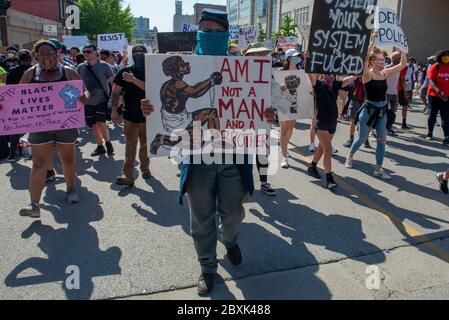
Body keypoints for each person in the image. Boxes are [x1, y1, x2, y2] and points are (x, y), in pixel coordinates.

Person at [141, 9, 273, 296]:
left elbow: (258, 106)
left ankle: (231, 240)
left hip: (234, 157)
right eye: (204, 31)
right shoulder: (187, 66)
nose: (209, 36)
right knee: (201, 217)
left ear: (226, 34)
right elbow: (185, 94)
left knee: (233, 211)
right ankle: (207, 266)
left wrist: (267, 112)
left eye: (215, 31)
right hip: (197, 159)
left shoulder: (245, 69)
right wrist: (148, 109)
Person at [4, 40, 86, 218]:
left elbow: (84, 91)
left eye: (50, 53)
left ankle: (71, 189)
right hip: (40, 126)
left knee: (67, 160)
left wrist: (83, 98)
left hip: (66, 123)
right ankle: (34, 204)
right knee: (39, 164)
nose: (46, 56)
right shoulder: (30, 74)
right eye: (42, 53)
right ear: (36, 56)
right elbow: (16, 98)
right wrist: (4, 106)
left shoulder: (68, 72)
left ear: (57, 54)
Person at [345, 32, 407, 180]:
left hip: (382, 112)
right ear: (371, 62)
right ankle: (350, 155)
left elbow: (403, 64)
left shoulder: (385, 73)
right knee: (361, 138)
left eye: (382, 60)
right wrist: (372, 40)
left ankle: (378, 169)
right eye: (377, 60)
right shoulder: (367, 74)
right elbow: (364, 58)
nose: (381, 62)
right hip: (368, 110)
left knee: (381, 140)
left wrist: (402, 47)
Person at [306, 65, 356, 190]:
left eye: (332, 74)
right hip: (321, 121)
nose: (330, 76)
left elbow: (350, 79)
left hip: (332, 121)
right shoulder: (318, 84)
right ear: (323, 75)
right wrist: (308, 61)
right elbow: (310, 75)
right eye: (327, 74)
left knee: (322, 148)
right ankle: (329, 178)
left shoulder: (336, 85)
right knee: (328, 149)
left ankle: (312, 166)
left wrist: (361, 67)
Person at [111, 45, 151, 186]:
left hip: (148, 116)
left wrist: (133, 80)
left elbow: (152, 88)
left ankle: (145, 168)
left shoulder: (154, 70)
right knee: (130, 145)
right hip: (130, 115)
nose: (139, 54)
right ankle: (128, 175)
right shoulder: (124, 71)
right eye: (136, 52)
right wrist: (114, 110)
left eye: (142, 52)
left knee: (145, 144)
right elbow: (116, 92)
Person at [244, 43, 276, 196]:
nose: (261, 56)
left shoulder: (268, 74)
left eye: (263, 54)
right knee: (243, 151)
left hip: (261, 117)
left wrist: (273, 109)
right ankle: (245, 185)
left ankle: (264, 182)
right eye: (257, 54)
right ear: (249, 56)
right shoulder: (239, 73)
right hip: (242, 117)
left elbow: (275, 94)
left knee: (262, 151)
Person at [77, 44, 115, 156]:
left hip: (102, 99)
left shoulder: (104, 66)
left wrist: (115, 96)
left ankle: (108, 143)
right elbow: (77, 84)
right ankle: (100, 146)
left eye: (88, 51)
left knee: (101, 122)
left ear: (95, 52)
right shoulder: (80, 67)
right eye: (84, 51)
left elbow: (113, 81)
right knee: (93, 125)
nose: (86, 53)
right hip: (87, 101)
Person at [5, 49, 33, 161]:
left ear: (19, 59)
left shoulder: (12, 71)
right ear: (30, 59)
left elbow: (8, 88)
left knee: (16, 127)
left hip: (17, 102)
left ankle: (12, 154)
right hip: (35, 101)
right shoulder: (35, 70)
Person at [279, 49, 300, 169]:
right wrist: (280, 87)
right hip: (283, 104)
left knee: (290, 129)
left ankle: (285, 147)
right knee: (283, 131)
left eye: (297, 56)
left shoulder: (300, 72)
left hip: (295, 104)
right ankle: (284, 156)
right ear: (289, 58)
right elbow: (275, 88)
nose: (297, 58)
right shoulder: (281, 72)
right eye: (294, 56)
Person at [427, 49, 449, 146]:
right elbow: (431, 82)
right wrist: (440, 93)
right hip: (434, 95)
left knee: (445, 116)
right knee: (432, 115)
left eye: (448, 56)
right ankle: (430, 133)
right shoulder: (435, 67)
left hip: (446, 96)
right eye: (444, 56)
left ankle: (446, 137)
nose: (446, 58)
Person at [385, 51, 402, 136]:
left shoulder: (399, 68)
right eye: (399, 58)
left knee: (393, 112)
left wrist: (397, 92)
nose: (400, 60)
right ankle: (379, 128)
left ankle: (389, 127)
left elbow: (397, 81)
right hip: (386, 93)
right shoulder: (387, 68)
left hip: (394, 93)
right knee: (383, 111)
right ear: (394, 59)